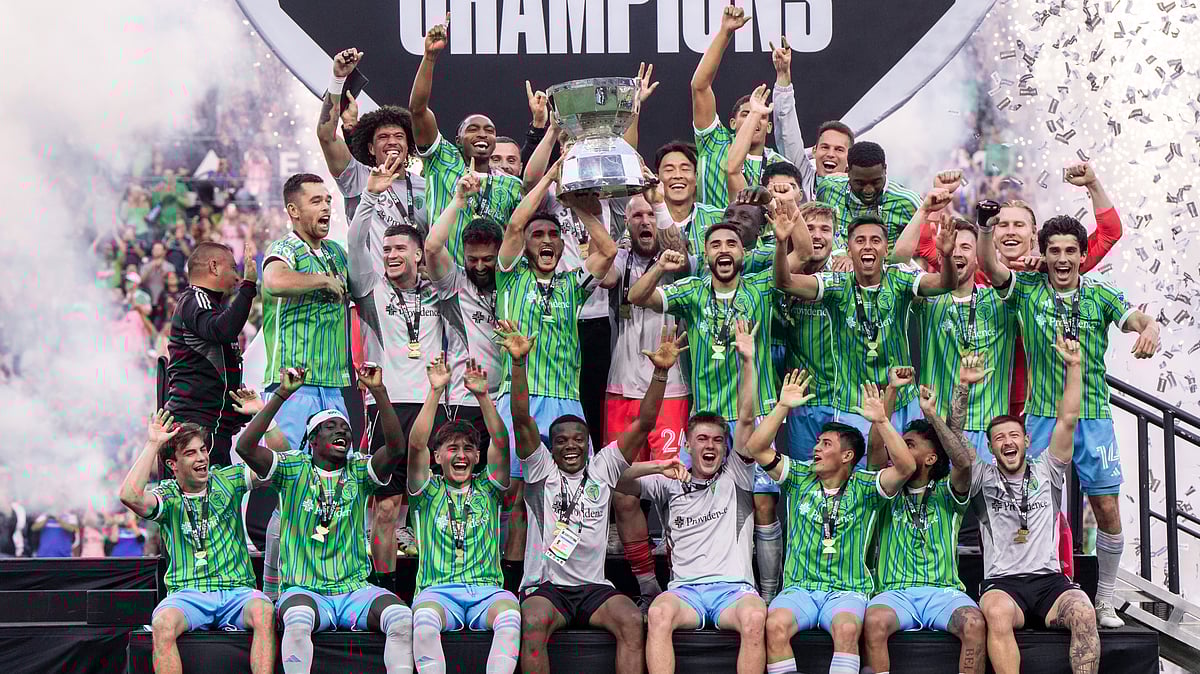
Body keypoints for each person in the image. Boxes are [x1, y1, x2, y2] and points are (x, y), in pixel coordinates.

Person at [979, 213, 1159, 629]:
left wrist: (1151, 328)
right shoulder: (1026, 288)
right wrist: (987, 229)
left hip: (1094, 417)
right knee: (1040, 510)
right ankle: (1045, 588)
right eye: (1054, 250)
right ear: (1043, 253)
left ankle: (1106, 601)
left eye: (1070, 251)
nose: (1062, 259)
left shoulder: (1101, 295)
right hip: (1042, 418)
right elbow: (991, 267)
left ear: (1082, 256)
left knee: (1108, 509)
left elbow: (1137, 320)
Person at [512, 321, 683, 674]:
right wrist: (517, 365)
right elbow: (521, 419)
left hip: (593, 587)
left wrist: (661, 374)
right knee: (530, 622)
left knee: (632, 619)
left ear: (588, 443)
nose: (571, 445)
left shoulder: (602, 466)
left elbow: (645, 422)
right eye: (561, 440)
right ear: (551, 446)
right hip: (548, 587)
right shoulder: (541, 469)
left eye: (578, 439)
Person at [627, 221, 784, 603]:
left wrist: (780, 239)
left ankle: (767, 595)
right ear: (706, 254)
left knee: (763, 504)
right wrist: (661, 267)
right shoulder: (693, 291)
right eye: (715, 244)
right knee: (684, 492)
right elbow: (636, 296)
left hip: (753, 415)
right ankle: (679, 584)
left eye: (732, 243)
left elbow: (788, 271)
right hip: (707, 422)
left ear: (743, 253)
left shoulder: (761, 288)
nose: (724, 250)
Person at [236, 365, 414, 674]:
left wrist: (379, 392)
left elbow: (397, 449)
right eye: (331, 427)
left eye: (344, 427)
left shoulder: (359, 470)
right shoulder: (293, 470)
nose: (342, 431)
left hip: (354, 589)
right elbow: (245, 447)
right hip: (305, 589)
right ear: (313, 441)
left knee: (401, 619)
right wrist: (281, 395)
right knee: (297, 621)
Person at [347, 153, 470, 593]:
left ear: (419, 253)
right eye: (387, 250)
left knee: (431, 506)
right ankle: (383, 588)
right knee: (385, 507)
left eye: (400, 249)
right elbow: (356, 244)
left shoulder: (439, 292)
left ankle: (433, 585)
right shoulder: (371, 290)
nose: (391, 256)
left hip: (433, 406)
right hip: (388, 409)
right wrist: (370, 198)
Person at [493, 167, 618, 586]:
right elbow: (513, 224)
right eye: (538, 236)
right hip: (522, 398)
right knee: (514, 493)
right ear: (526, 245)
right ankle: (511, 581)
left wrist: (575, 205)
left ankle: (563, 578)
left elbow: (608, 249)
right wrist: (550, 179)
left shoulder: (569, 283)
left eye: (552, 236)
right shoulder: (508, 275)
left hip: (566, 400)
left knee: (571, 493)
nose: (546, 241)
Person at [620, 321, 768, 674]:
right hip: (686, 591)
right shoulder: (670, 481)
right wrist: (657, 466)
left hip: (733, 591)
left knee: (755, 616)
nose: (710, 446)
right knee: (657, 612)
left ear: (726, 447)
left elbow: (746, 419)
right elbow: (616, 480)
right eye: (702, 439)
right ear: (688, 444)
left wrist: (748, 362)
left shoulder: (736, 473)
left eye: (717, 440)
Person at [973, 335, 1101, 674]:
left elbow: (1068, 419)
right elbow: (956, 444)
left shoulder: (1048, 468)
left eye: (1014, 435)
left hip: (1050, 582)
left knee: (1084, 611)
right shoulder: (982, 477)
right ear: (991, 448)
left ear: (1027, 440)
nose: (1008, 441)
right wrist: (962, 389)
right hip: (1004, 583)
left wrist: (1074, 366)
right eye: (999, 438)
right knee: (996, 614)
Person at [775, 212, 958, 443]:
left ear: (885, 248)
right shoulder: (837, 285)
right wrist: (782, 243)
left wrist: (948, 255)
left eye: (875, 240)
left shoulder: (900, 279)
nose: (868, 246)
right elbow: (784, 282)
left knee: (908, 473)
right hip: (854, 406)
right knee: (858, 475)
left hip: (903, 401)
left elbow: (946, 283)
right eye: (860, 241)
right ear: (848, 249)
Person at [120, 410, 275, 674]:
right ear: (173, 464)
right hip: (188, 595)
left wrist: (266, 418)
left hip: (237, 592)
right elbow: (130, 495)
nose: (202, 458)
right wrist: (153, 443)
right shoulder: (167, 495)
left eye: (203, 450)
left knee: (265, 612)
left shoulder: (227, 479)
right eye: (191, 453)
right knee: (162, 624)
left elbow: (280, 464)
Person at [862, 361, 991, 674]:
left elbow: (962, 463)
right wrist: (889, 394)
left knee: (974, 623)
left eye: (909, 445)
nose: (898, 451)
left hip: (943, 592)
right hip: (894, 592)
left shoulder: (947, 492)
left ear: (931, 458)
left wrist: (932, 415)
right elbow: (876, 449)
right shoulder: (885, 489)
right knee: (874, 622)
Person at [601, 193, 690, 603]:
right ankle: (647, 585)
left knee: (678, 486)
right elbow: (604, 279)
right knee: (623, 490)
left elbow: (682, 254)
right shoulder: (620, 260)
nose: (644, 221)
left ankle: (682, 578)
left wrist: (658, 207)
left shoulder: (676, 254)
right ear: (627, 224)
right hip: (621, 390)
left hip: (671, 391)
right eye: (635, 214)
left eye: (649, 214)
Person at [407, 354, 517, 674]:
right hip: (436, 591)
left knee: (511, 617)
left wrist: (483, 396)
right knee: (424, 621)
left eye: (468, 448)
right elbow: (416, 445)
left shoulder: (487, 487)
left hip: (487, 591)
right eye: (452, 448)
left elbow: (501, 440)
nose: (461, 455)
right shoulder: (427, 492)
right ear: (437, 455)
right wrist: (435, 392)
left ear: (477, 456)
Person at [409, 18, 524, 265]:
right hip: (448, 278)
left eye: (489, 130)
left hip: (494, 281)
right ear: (458, 139)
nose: (483, 134)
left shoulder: (511, 185)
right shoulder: (442, 158)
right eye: (473, 129)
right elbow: (418, 110)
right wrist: (429, 58)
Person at [911, 217, 1017, 458]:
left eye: (965, 247)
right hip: (934, 426)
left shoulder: (1003, 302)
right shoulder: (927, 300)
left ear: (978, 256)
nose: (956, 252)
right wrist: (926, 209)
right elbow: (894, 262)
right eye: (950, 246)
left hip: (987, 429)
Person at [260, 173, 351, 451]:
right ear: (293, 211)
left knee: (337, 474)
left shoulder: (336, 252)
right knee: (292, 476)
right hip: (292, 385)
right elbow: (274, 281)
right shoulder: (285, 248)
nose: (326, 207)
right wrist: (323, 280)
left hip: (332, 384)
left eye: (327, 200)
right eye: (315, 201)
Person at [164, 240, 258, 466]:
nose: (237, 277)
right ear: (214, 267)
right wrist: (248, 286)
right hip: (195, 429)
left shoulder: (210, 306)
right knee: (202, 500)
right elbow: (222, 330)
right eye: (234, 269)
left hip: (211, 427)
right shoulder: (195, 299)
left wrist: (236, 410)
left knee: (217, 499)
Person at [690, 2, 789, 210]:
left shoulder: (779, 165)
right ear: (732, 123)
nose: (755, 118)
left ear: (769, 127)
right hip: (711, 237)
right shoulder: (715, 143)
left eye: (762, 116)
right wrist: (725, 33)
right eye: (747, 113)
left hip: (760, 241)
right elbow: (700, 86)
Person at [316, 48, 428, 228]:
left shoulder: (425, 187)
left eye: (399, 136)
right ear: (370, 148)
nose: (392, 141)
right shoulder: (356, 178)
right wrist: (338, 79)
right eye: (383, 137)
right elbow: (326, 136)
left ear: (408, 145)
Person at [774, 202, 839, 458]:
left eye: (826, 229)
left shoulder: (847, 275)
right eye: (809, 228)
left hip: (842, 400)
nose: (817, 235)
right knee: (805, 479)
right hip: (801, 401)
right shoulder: (781, 273)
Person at [767, 37, 855, 201]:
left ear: (850, 158)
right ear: (814, 151)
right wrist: (783, 75)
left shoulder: (858, 195)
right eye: (825, 147)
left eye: (839, 149)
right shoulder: (803, 179)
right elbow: (787, 132)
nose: (830, 154)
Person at [815, 142, 922, 256]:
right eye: (860, 183)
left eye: (876, 182)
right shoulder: (828, 189)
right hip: (835, 271)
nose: (868, 190)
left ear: (885, 169)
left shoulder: (908, 202)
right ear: (848, 172)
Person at [653, 141, 726, 256]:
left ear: (696, 177)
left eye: (685, 169)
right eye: (669, 170)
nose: (677, 175)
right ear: (657, 178)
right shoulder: (645, 221)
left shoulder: (719, 219)